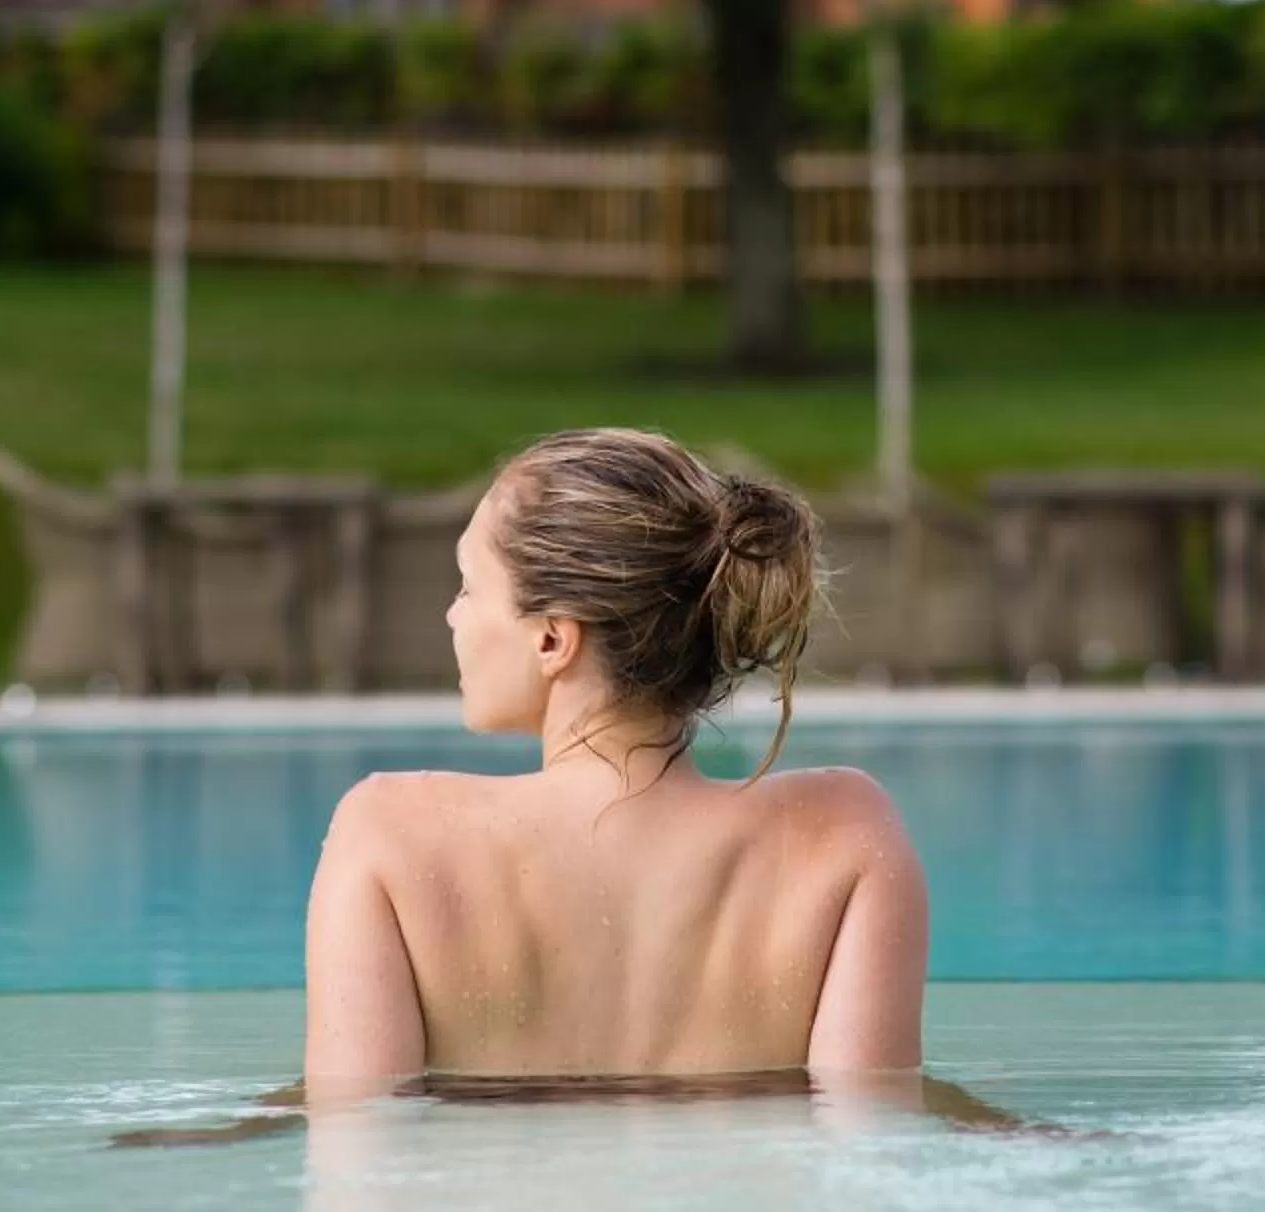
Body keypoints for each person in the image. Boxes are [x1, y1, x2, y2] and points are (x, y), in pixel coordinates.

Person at [303, 427, 928, 1096]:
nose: (453, 616)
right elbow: (868, 1132)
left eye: (467, 586)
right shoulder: (843, 836)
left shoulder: (390, 835)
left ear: (551, 638)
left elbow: (356, 1143)